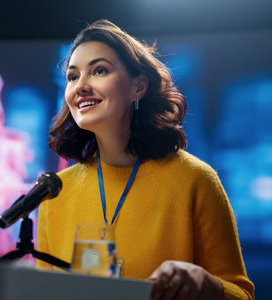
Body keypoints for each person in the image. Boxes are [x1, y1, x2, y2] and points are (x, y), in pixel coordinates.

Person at [36, 19, 254, 300]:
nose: (80, 87)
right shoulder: (55, 191)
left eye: (99, 70)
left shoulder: (195, 179)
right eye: (72, 76)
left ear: (138, 87)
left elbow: (242, 294)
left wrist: (206, 285)